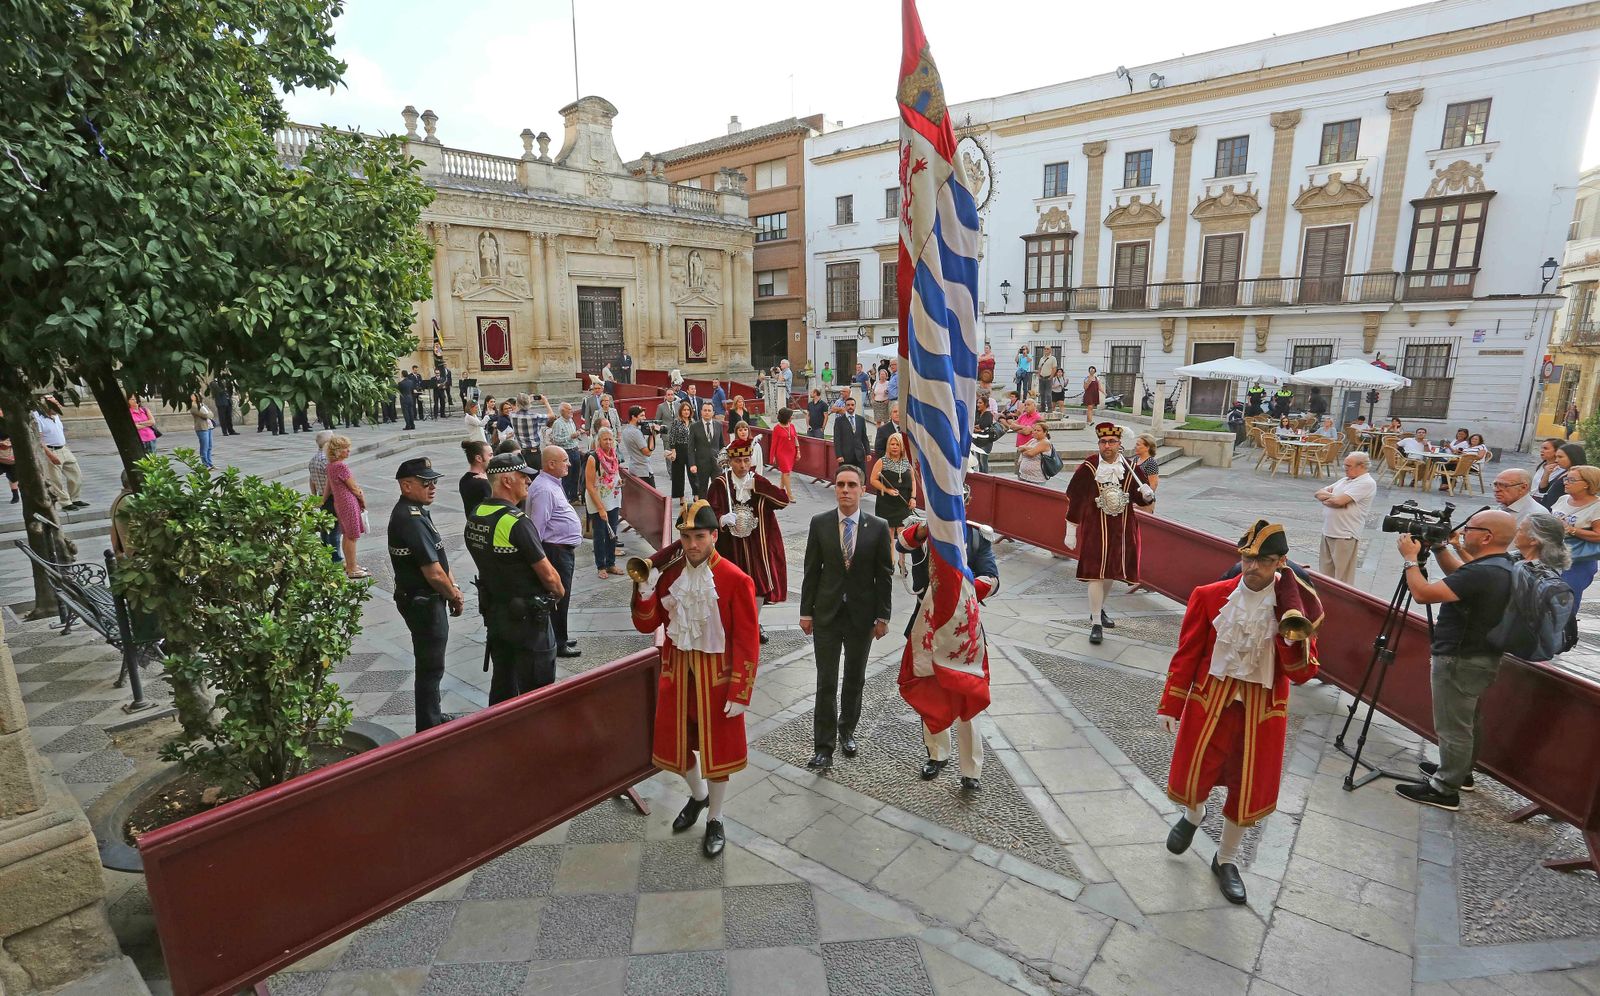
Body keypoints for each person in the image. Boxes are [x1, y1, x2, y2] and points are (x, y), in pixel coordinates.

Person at [1159, 520, 1325, 905]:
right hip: (1209, 702)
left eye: (1264, 561)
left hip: (1262, 711)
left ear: (1281, 562)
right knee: (1196, 772)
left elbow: (1304, 674)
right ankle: (1193, 816)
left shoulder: (1295, 608)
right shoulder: (1208, 596)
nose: (1253, 567)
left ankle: (1227, 859)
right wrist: (1171, 703)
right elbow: (1187, 654)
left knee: (1249, 786)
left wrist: (1288, 638)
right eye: (1247, 558)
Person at [630, 501, 761, 858]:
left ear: (714, 537)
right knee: (675, 744)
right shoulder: (670, 576)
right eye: (686, 537)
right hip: (677, 674)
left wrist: (741, 688)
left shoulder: (736, 579)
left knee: (718, 750)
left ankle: (715, 817)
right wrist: (645, 590)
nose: (691, 544)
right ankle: (699, 796)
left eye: (699, 536)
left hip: (717, 680)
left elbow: (746, 640)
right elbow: (646, 624)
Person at [1393, 510, 1519, 811]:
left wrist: (1411, 558)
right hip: (1481, 655)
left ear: (1487, 536)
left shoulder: (1483, 571)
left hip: (1460, 657)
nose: (1463, 533)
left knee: (1453, 727)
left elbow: (1423, 594)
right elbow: (1459, 580)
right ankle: (1460, 774)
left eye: (1470, 529)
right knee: (1468, 721)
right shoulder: (1500, 565)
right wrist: (1438, 547)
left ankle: (1444, 789)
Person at [897, 501, 999, 791]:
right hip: (925, 626)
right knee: (930, 690)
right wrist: (925, 529)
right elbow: (902, 545)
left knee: (968, 695)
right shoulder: (925, 532)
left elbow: (992, 579)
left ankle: (971, 770)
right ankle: (937, 753)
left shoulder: (977, 536)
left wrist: (959, 590)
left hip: (962, 629)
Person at [799, 464, 893, 769]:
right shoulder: (820, 523)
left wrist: (883, 616)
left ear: (863, 490)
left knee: (854, 678)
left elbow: (885, 575)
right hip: (826, 614)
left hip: (861, 616)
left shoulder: (878, 527)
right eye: (840, 484)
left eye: (852, 485)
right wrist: (805, 612)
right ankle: (823, 746)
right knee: (826, 680)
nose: (845, 490)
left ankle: (847, 729)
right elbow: (811, 571)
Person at [466, 454, 564, 703]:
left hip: (497, 615)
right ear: (507, 481)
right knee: (537, 691)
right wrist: (559, 592)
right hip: (528, 622)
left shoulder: (477, 514)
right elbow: (549, 576)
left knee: (503, 685)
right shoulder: (515, 521)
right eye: (523, 476)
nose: (528, 481)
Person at [387, 458, 465, 732]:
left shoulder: (417, 511)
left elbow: (439, 556)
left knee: (432, 664)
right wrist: (454, 595)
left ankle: (432, 715)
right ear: (406, 485)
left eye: (434, 482)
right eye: (426, 483)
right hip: (422, 600)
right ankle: (429, 724)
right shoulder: (410, 519)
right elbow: (432, 572)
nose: (433, 487)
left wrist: (452, 586)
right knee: (431, 667)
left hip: (424, 597)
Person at [1065, 423, 1154, 643]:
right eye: (1103, 442)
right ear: (1099, 444)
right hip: (1096, 527)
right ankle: (1096, 623)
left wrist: (1147, 495)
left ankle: (1099, 608)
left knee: (1110, 572)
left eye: (1112, 442)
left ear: (1119, 444)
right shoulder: (1089, 467)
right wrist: (1071, 529)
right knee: (1096, 573)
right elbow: (1075, 497)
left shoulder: (1130, 466)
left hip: (1121, 529)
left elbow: (1140, 497)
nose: (1107, 446)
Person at [706, 437, 788, 644]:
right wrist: (721, 519)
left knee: (758, 584)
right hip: (730, 546)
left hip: (758, 544)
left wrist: (759, 487)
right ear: (731, 462)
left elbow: (782, 501)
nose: (742, 465)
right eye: (738, 461)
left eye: (746, 460)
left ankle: (753, 623)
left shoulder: (758, 481)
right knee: (733, 585)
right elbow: (708, 513)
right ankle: (733, 623)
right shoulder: (720, 484)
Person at [527, 445, 584, 659]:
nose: (569, 464)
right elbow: (537, 529)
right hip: (554, 552)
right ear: (551, 464)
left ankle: (561, 635)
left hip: (561, 550)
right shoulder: (543, 489)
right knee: (558, 597)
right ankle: (558, 643)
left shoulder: (551, 484)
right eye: (565, 460)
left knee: (564, 597)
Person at [1314, 452, 1377, 584]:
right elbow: (1318, 493)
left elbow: (1339, 501)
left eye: (1348, 466)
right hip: (1328, 531)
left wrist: (1334, 500)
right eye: (1345, 465)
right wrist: (1334, 499)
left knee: (1342, 578)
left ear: (1361, 466)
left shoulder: (1366, 482)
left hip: (1345, 534)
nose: (1345, 468)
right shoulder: (1345, 480)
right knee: (1325, 575)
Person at [1550, 464, 1600, 614]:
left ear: (1587, 484)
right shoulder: (1563, 499)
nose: (1566, 482)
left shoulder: (1597, 506)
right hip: (1553, 554)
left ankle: (1566, 634)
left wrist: (1570, 529)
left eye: (1571, 480)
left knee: (1566, 602)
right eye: (1566, 478)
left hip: (1578, 561)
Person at [870, 433, 917, 574]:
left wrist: (913, 498)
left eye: (897, 444)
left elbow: (913, 481)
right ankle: (890, 562)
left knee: (902, 534)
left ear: (902, 447)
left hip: (903, 503)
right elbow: (873, 480)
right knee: (889, 534)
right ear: (888, 446)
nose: (894, 447)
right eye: (892, 444)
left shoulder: (907, 463)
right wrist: (887, 490)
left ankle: (902, 563)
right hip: (886, 502)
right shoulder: (882, 461)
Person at [325, 435, 369, 579]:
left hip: (339, 502)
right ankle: (352, 568)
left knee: (347, 534)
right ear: (338, 451)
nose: (348, 451)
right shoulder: (341, 466)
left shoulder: (331, 466)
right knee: (352, 536)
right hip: (348, 501)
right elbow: (354, 487)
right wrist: (362, 498)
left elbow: (329, 487)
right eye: (345, 448)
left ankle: (351, 565)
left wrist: (322, 500)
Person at [586, 427, 626, 581]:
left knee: (612, 533)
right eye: (605, 439)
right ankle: (601, 566)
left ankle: (611, 563)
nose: (608, 442)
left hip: (613, 498)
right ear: (599, 441)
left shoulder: (613, 455)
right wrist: (600, 508)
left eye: (610, 439)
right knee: (600, 534)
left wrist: (619, 481)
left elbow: (613, 473)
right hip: (598, 500)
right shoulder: (593, 458)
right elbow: (589, 485)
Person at [33, 397, 85, 509]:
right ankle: (65, 503)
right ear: (46, 405)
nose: (59, 406)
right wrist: (50, 455)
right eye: (56, 403)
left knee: (76, 475)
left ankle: (75, 498)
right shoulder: (38, 418)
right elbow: (39, 440)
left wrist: (66, 447)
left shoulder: (56, 416)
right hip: (51, 450)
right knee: (55, 480)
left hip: (64, 448)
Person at [307, 430, 342, 561]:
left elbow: (312, 480)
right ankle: (335, 558)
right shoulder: (326, 460)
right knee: (334, 529)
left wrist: (315, 496)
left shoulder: (313, 460)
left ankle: (326, 555)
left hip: (322, 497)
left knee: (325, 528)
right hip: (330, 497)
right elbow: (331, 481)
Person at [548, 403, 585, 505]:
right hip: (565, 452)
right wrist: (570, 437)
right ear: (562, 411)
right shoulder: (557, 423)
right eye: (569, 409)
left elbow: (572, 435)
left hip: (575, 450)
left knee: (575, 476)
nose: (571, 411)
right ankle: (564, 499)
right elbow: (555, 440)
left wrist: (578, 433)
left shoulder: (571, 421)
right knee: (566, 477)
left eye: (571, 409)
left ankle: (574, 498)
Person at [689, 402, 724, 500]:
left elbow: (722, 445)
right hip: (701, 463)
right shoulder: (694, 426)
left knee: (717, 487)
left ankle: (716, 510)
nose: (707, 412)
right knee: (702, 489)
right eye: (705, 410)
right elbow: (690, 448)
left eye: (709, 410)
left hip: (716, 463)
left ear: (713, 413)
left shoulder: (718, 425)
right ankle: (703, 511)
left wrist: (724, 461)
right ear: (701, 412)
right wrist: (692, 464)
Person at [666, 400, 695, 509]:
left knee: (693, 472)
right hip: (679, 448)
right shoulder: (676, 422)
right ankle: (681, 497)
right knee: (678, 474)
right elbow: (672, 436)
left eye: (688, 410)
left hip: (691, 449)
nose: (686, 412)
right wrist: (673, 450)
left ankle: (696, 494)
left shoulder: (693, 422)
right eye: (684, 410)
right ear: (681, 411)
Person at [1539, 442, 1585, 509]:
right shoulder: (1564, 472)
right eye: (1556, 457)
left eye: (1560, 457)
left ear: (1573, 457)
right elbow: (1542, 490)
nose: (1556, 460)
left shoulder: (1578, 475)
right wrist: (1546, 474)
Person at [621, 405, 655, 488]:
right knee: (652, 499)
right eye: (642, 416)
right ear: (633, 417)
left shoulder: (626, 430)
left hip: (634, 467)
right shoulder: (636, 432)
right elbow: (648, 452)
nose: (645, 418)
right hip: (643, 471)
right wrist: (653, 435)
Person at [832, 396, 869, 469]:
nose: (850, 407)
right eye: (848, 405)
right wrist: (839, 455)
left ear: (855, 406)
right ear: (845, 407)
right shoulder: (839, 421)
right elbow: (837, 439)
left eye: (852, 405)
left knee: (861, 477)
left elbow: (864, 437)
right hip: (845, 457)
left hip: (859, 456)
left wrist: (868, 453)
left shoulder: (860, 419)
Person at [770, 407, 800, 499]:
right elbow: (774, 443)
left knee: (785, 472)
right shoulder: (777, 428)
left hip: (791, 452)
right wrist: (772, 456)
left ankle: (780, 490)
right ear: (786, 417)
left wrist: (798, 451)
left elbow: (795, 439)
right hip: (781, 453)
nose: (792, 417)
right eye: (791, 416)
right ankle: (789, 494)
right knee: (786, 472)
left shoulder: (792, 426)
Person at [460, 440, 492, 509]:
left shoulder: (463, 480)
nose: (493, 458)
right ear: (479, 458)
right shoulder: (483, 483)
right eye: (490, 455)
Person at [1132, 433, 1161, 509]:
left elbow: (1153, 485)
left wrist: (1142, 503)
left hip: (1145, 503)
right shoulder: (1136, 459)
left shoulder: (1151, 463)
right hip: (1135, 500)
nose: (1135, 447)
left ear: (1147, 447)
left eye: (1138, 445)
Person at [972, 395, 998, 473]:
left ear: (985, 404)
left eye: (980, 403)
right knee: (979, 462)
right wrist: (977, 427)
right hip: (977, 440)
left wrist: (978, 427)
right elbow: (974, 424)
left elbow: (982, 426)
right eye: (977, 403)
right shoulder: (977, 414)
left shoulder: (988, 414)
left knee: (983, 461)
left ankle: (986, 478)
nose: (978, 405)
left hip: (986, 441)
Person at [189, 393, 215, 470]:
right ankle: (205, 465)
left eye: (195, 395)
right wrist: (208, 414)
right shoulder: (193, 406)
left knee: (209, 446)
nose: (193, 396)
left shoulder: (202, 404)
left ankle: (210, 463)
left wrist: (208, 414)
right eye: (192, 395)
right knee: (204, 447)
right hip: (201, 428)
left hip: (209, 426)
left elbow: (211, 413)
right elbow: (205, 415)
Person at [1035, 347, 1059, 412]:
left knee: (1048, 394)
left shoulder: (1053, 358)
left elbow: (1054, 368)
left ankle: (1050, 408)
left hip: (1048, 377)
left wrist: (1051, 377)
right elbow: (1039, 367)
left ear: (1050, 350)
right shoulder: (1041, 358)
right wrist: (1038, 375)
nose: (1046, 350)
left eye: (1047, 349)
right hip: (1041, 377)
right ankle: (1042, 408)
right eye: (1045, 349)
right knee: (1041, 393)